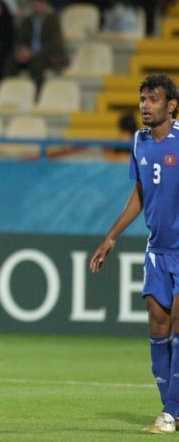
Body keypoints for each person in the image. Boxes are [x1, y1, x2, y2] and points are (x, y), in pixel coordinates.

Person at [89, 74, 179, 434]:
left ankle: (170, 413)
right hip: (157, 250)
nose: (145, 105)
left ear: (171, 105)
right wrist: (111, 236)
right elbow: (141, 194)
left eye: (153, 99)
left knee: (178, 321)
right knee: (158, 323)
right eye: (142, 98)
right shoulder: (140, 142)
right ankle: (171, 407)